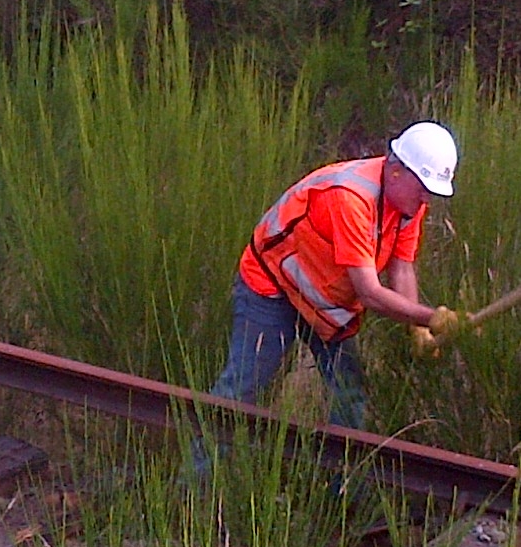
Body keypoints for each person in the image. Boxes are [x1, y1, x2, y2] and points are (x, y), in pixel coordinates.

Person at [195, 122, 460, 457]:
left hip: (322, 305)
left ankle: (341, 493)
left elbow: (402, 266)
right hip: (271, 285)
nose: (426, 198)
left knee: (351, 398)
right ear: (396, 171)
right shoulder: (350, 198)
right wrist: (432, 316)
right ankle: (196, 486)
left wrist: (417, 328)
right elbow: (369, 293)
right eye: (423, 187)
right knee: (240, 390)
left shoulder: (409, 207)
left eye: (432, 192)